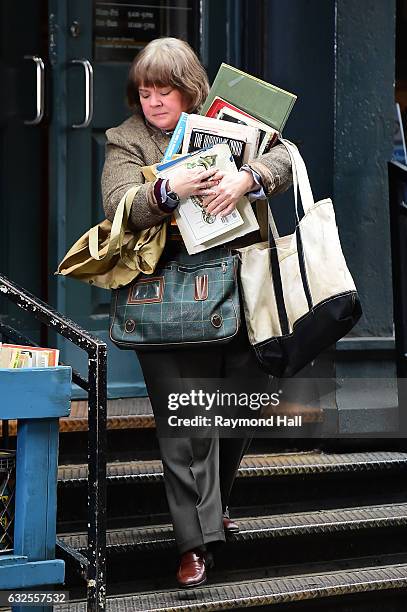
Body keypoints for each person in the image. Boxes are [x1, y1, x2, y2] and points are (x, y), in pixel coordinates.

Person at [101, 37, 292, 588]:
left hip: (240, 288)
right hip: (167, 298)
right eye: (145, 91)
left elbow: (285, 153)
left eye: (165, 91)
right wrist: (167, 189)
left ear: (190, 90)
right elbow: (117, 205)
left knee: (242, 400)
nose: (154, 102)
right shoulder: (127, 140)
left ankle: (215, 503)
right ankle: (195, 544)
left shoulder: (226, 116)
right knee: (184, 423)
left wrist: (247, 179)